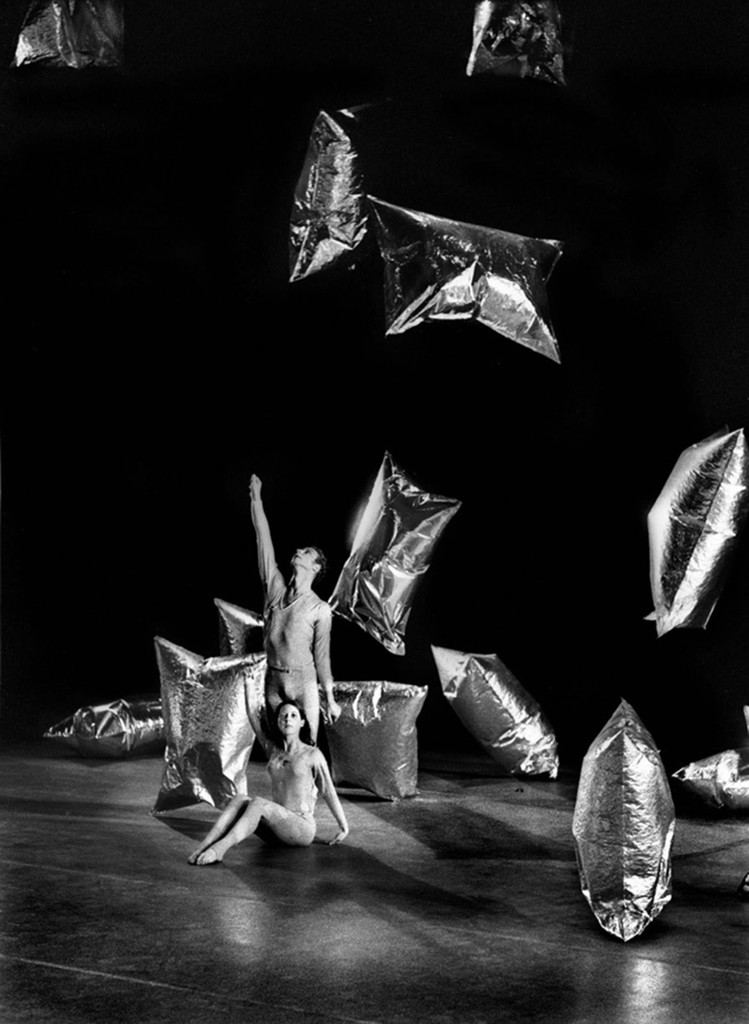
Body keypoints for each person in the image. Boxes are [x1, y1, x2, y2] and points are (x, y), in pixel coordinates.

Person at [188, 700, 349, 865]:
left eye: (293, 715)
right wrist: (248, 681)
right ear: (277, 722)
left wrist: (343, 826)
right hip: (277, 828)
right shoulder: (273, 750)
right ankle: (204, 845)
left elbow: (328, 791)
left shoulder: (312, 754)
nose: (288, 719)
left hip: (301, 828)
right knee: (240, 799)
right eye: (283, 715)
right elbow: (252, 714)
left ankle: (220, 849)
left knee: (258, 803)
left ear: (301, 723)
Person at [249, 473, 340, 744]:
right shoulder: (275, 589)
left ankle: (315, 787)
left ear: (316, 568)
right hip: (273, 680)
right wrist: (256, 498)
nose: (299, 550)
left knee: (309, 747)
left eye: (307, 551)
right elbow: (262, 539)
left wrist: (330, 699)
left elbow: (323, 659)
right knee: (278, 750)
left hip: (304, 682)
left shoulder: (320, 609)